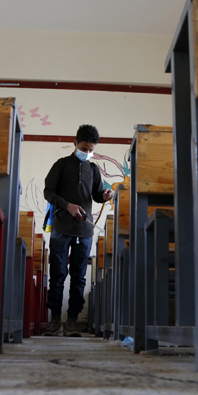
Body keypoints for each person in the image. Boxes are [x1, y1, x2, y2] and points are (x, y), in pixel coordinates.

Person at [43, 124, 115, 337]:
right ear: (75, 143)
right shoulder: (61, 165)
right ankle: (54, 321)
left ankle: (72, 321)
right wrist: (68, 206)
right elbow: (48, 192)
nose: (87, 153)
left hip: (84, 230)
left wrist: (104, 195)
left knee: (79, 276)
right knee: (57, 274)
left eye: (90, 150)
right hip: (61, 227)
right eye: (84, 148)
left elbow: (95, 195)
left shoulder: (93, 169)